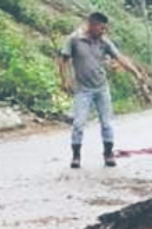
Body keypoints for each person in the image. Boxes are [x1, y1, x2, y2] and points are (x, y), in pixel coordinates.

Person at [59, 12, 143, 169]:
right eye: (101, 28)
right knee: (78, 123)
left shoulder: (104, 42)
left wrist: (135, 72)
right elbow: (63, 60)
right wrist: (65, 80)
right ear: (91, 25)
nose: (103, 31)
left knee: (107, 123)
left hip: (101, 88)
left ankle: (108, 154)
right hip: (83, 89)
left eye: (105, 28)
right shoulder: (74, 39)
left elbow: (119, 58)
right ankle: (76, 156)